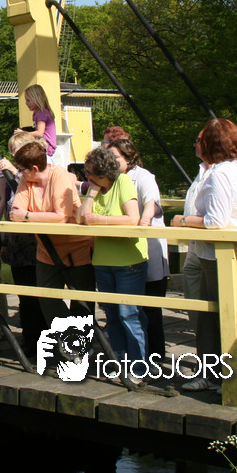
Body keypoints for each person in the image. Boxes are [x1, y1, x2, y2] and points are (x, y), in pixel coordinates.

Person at [171, 119, 237, 394]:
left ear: (212, 145)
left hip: (221, 254)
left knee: (224, 318)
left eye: (201, 141)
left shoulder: (221, 173)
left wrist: (184, 220)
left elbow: (216, 221)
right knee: (234, 317)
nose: (197, 145)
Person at [77, 147, 148, 377]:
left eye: (89, 173)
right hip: (103, 261)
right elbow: (80, 218)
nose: (87, 177)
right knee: (113, 316)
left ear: (102, 172)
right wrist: (91, 193)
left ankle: (138, 368)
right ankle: (119, 363)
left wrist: (100, 220)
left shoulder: (123, 182)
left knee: (129, 315)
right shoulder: (95, 189)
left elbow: (132, 218)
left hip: (128, 262)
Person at [11, 142, 96, 331]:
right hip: (47, 250)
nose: (19, 173)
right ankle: (68, 335)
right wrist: (28, 215)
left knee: (82, 303)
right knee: (47, 297)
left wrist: (28, 216)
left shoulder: (60, 177)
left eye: (21, 169)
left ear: (34, 169)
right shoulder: (26, 180)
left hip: (78, 248)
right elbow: (16, 210)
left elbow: (61, 216)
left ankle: (80, 343)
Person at [107, 139, 170, 358]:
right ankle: (131, 354)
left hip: (147, 248)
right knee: (127, 308)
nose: (111, 161)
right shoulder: (112, 179)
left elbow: (151, 202)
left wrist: (143, 221)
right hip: (124, 252)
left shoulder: (143, 177)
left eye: (115, 157)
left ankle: (155, 355)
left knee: (149, 307)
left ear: (128, 157)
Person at [0, 132, 47, 350]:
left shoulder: (31, 176)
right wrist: (5, 242)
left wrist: (13, 172)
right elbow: (10, 209)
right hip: (18, 242)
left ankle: (44, 339)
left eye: (17, 151)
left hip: (36, 243)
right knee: (25, 295)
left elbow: (36, 194)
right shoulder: (14, 179)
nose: (14, 156)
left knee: (40, 294)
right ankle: (31, 338)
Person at [16, 84, 57, 162]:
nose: (26, 103)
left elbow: (40, 133)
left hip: (46, 147)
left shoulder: (41, 114)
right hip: (43, 146)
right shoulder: (37, 113)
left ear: (37, 99)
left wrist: (23, 133)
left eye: (28, 100)